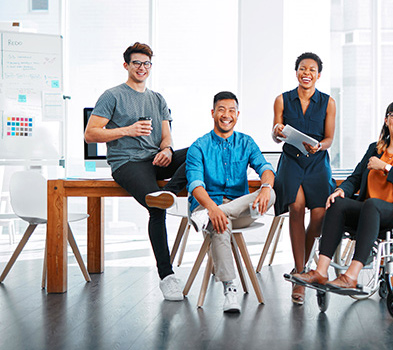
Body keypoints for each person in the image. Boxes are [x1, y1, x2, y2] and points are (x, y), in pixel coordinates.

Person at [84, 42, 188, 301]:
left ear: (151, 66)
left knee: (201, 150)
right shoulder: (112, 95)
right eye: (137, 63)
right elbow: (90, 134)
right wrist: (127, 130)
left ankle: (170, 192)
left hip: (155, 159)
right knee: (156, 207)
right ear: (126, 66)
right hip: (127, 162)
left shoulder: (157, 98)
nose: (142, 68)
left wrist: (167, 150)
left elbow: (166, 136)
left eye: (146, 64)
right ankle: (167, 277)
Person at [291, 101, 393, 290]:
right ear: (386, 120)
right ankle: (320, 272)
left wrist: (386, 167)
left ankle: (351, 276)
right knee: (338, 203)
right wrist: (341, 191)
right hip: (369, 210)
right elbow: (355, 178)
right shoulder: (375, 148)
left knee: (372, 204)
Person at [187, 91, 276, 313]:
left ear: (237, 114)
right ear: (213, 113)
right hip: (210, 205)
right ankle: (230, 289)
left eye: (232, 111)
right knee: (220, 223)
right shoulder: (199, 146)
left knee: (272, 194)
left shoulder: (246, 142)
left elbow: (265, 168)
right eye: (221, 110)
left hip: (238, 210)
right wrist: (211, 208)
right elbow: (196, 185)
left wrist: (265, 187)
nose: (227, 115)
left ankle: (211, 215)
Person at [272, 52, 336, 304]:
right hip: (291, 162)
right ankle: (299, 275)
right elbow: (276, 134)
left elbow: (329, 138)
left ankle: (305, 264)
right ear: (296, 71)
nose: (306, 73)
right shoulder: (282, 99)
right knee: (296, 208)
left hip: (317, 161)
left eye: (311, 69)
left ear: (318, 75)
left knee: (319, 215)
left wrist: (320, 146)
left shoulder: (328, 102)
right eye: (302, 68)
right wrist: (277, 131)